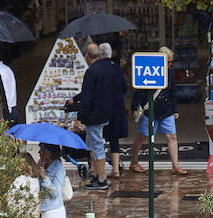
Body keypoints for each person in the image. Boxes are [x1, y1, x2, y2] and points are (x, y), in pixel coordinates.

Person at [129, 47, 188, 175]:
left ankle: (175, 166)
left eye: (171, 62)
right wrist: (134, 107)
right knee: (142, 137)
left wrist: (174, 110)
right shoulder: (150, 71)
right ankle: (134, 162)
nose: (170, 65)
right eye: (168, 62)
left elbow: (172, 92)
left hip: (166, 110)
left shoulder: (170, 73)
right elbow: (138, 91)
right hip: (150, 109)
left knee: (172, 136)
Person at [72, 42, 119, 190]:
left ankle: (102, 179)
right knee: (92, 144)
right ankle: (97, 175)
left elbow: (87, 97)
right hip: (106, 112)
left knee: (97, 146)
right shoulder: (108, 68)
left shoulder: (91, 72)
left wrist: (79, 118)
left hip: (94, 115)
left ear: (86, 55)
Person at [99, 42, 130, 179]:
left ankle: (96, 170)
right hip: (117, 108)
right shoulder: (116, 68)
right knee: (114, 140)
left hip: (102, 108)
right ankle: (116, 169)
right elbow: (124, 88)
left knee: (98, 140)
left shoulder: (97, 69)